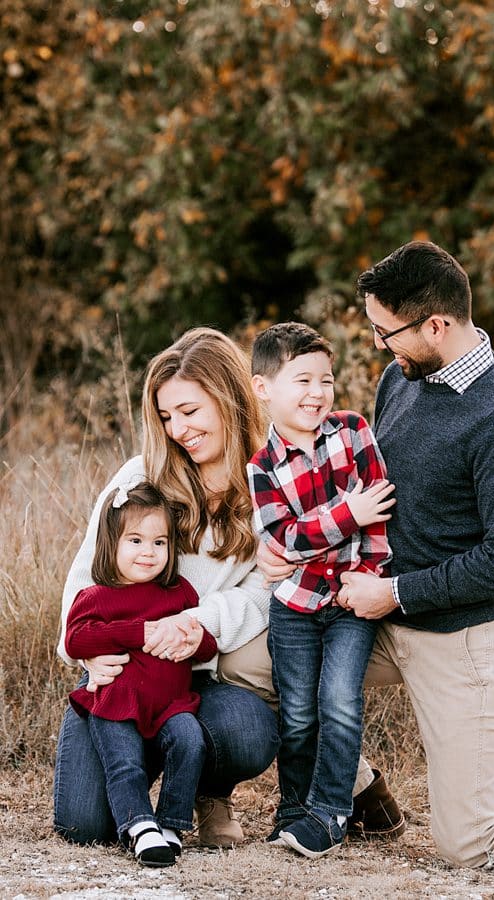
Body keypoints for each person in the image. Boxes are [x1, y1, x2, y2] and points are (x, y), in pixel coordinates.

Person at [55, 326, 401, 850]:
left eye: (190, 412)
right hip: (124, 678)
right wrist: (89, 655)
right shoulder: (138, 481)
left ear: (228, 396)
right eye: (167, 417)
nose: (179, 430)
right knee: (85, 827)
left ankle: (209, 790)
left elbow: (271, 587)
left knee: (247, 730)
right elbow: (85, 580)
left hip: (200, 685)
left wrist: (198, 624)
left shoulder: (274, 476)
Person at [321, 240, 494, 866]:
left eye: (384, 332)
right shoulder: (401, 378)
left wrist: (392, 593)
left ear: (436, 325)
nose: (379, 346)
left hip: (468, 639)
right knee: (251, 666)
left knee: (470, 845)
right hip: (381, 617)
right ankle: (364, 797)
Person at [247, 323, 395, 858]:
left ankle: (331, 810)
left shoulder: (355, 432)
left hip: (352, 599)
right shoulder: (261, 467)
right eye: (302, 380)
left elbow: (379, 514)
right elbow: (282, 539)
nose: (317, 392)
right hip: (294, 606)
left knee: (337, 702)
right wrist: (346, 513)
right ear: (263, 388)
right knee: (298, 711)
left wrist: (371, 573)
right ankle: (293, 809)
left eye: (326, 380)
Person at [65, 481, 218, 867]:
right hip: (116, 702)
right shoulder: (97, 596)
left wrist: (194, 639)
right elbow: (77, 640)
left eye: (159, 543)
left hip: (171, 704)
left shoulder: (179, 593)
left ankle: (170, 823)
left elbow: (205, 647)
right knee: (125, 762)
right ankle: (139, 826)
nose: (148, 552)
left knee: (190, 741)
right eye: (135, 540)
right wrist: (138, 631)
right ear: (111, 544)